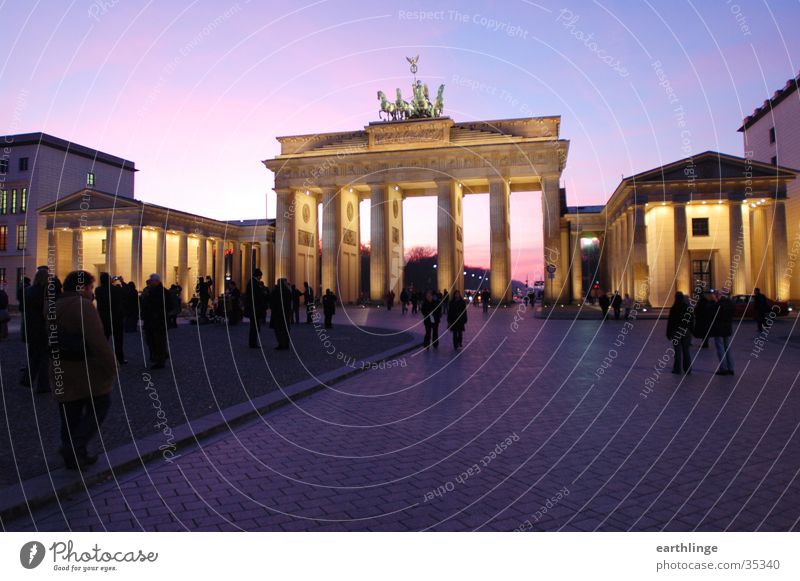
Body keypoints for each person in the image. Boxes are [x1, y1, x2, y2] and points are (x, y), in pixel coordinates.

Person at [49, 270, 117, 470]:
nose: (91, 292)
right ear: (82, 287)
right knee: (100, 405)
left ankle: (76, 455)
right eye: (90, 287)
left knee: (69, 412)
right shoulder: (83, 307)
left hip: (60, 365)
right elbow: (98, 341)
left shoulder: (54, 306)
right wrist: (112, 367)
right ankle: (75, 445)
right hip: (84, 368)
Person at [22, 268, 50, 393]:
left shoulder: (28, 291)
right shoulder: (45, 292)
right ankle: (43, 385)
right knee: (44, 357)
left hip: (30, 326)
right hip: (42, 327)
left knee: (34, 355)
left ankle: (27, 379)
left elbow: (22, 308)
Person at [94, 273, 127, 364]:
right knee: (118, 341)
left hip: (104, 317)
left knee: (104, 339)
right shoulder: (116, 289)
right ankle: (119, 359)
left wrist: (109, 282)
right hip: (117, 317)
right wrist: (121, 281)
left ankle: (101, 358)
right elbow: (126, 292)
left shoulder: (98, 290)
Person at [140, 274, 169, 369]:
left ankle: (160, 359)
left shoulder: (161, 291)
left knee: (158, 340)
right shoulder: (150, 291)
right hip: (151, 320)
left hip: (157, 320)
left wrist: (158, 313)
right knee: (150, 339)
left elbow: (167, 306)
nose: (150, 282)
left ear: (156, 281)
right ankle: (159, 356)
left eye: (151, 280)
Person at [667, 292, 694, 375]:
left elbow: (670, 322)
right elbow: (691, 321)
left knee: (677, 351)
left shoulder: (674, 308)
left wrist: (668, 333)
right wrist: (691, 331)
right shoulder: (688, 308)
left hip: (676, 331)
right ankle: (688, 369)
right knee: (686, 351)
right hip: (686, 331)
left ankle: (677, 369)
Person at [709, 291, 734, 376]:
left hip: (719, 330)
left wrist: (715, 302)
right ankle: (731, 368)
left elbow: (713, 314)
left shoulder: (718, 305)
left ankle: (723, 368)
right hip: (727, 329)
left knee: (720, 349)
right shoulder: (729, 304)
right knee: (728, 348)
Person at [244, 269, 268, 348]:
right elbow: (257, 296)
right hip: (255, 308)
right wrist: (264, 294)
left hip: (254, 308)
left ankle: (253, 342)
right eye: (260, 276)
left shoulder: (252, 282)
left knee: (254, 326)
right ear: (258, 275)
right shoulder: (254, 283)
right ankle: (253, 343)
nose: (261, 278)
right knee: (254, 326)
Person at [270, 279, 292, 350]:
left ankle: (281, 344)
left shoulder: (276, 292)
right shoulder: (288, 292)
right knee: (285, 329)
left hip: (277, 314)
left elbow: (271, 302)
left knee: (279, 330)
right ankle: (286, 344)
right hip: (286, 314)